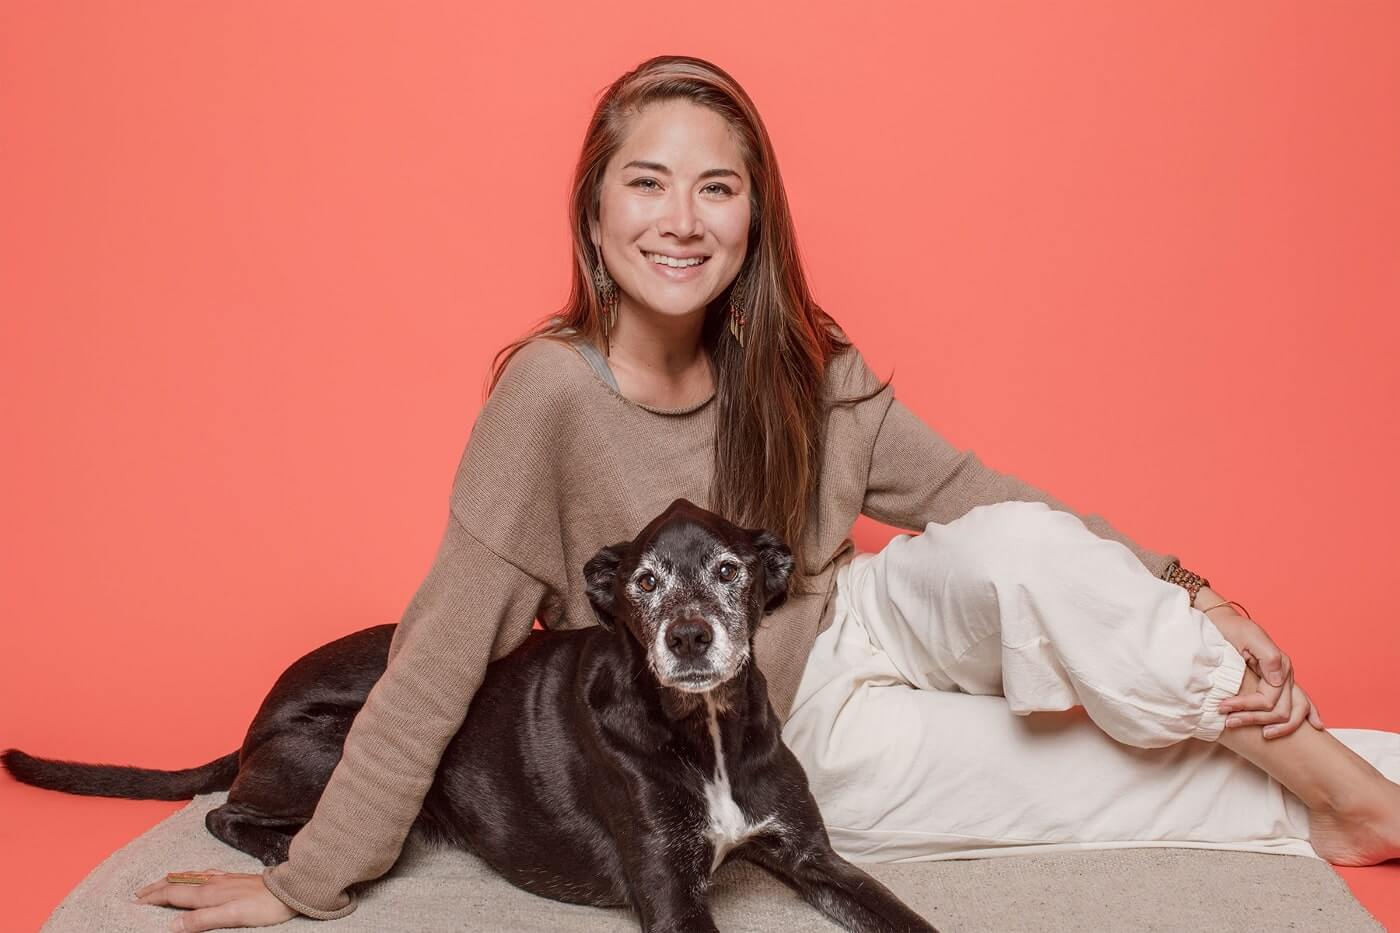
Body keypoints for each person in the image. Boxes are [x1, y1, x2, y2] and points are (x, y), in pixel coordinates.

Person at [133, 55, 1400, 931]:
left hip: (868, 617)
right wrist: (314, 878)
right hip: (774, 731)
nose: (679, 220)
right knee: (1088, 785)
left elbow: (970, 493)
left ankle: (1323, 770)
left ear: (752, 217)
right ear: (592, 212)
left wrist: (1189, 586)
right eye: (646, 182)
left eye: (716, 186)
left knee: (1017, 544)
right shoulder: (548, 397)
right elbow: (439, 646)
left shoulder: (799, 364)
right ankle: (1353, 796)